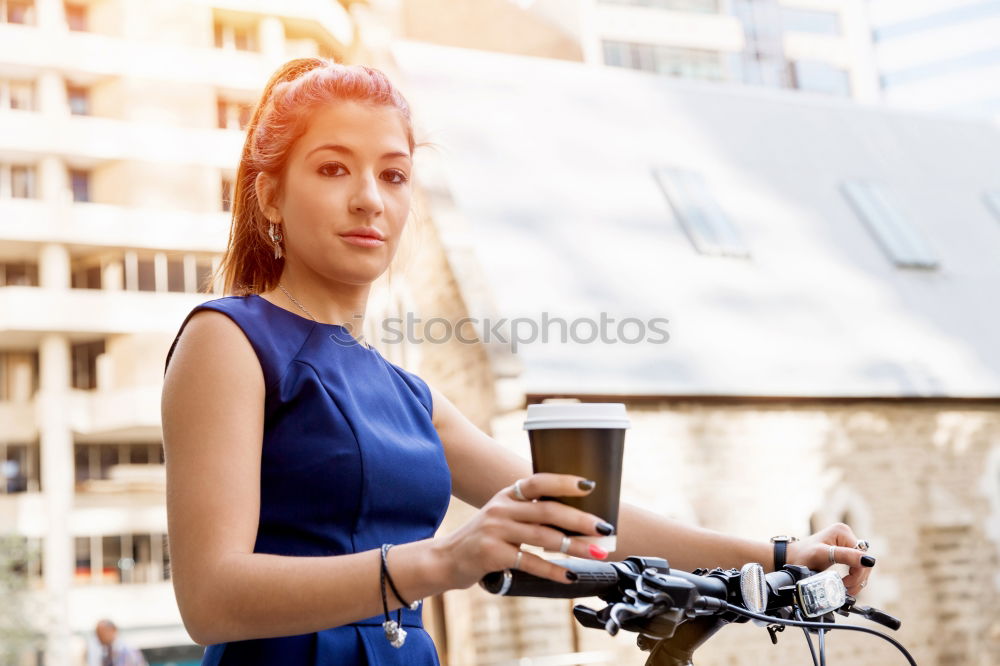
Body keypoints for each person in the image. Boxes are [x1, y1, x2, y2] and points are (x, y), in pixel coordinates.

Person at [160, 58, 877, 665]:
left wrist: (781, 553)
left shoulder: (406, 392)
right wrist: (443, 562)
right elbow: (211, 599)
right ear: (270, 198)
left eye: (394, 174)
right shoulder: (228, 341)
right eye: (332, 168)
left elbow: (588, 518)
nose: (368, 199)